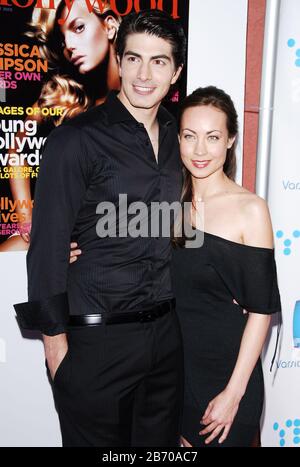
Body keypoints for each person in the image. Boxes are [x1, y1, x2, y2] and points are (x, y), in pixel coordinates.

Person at [14, 10, 186, 447]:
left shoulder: (181, 138)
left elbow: (196, 222)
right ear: (120, 59)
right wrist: (56, 349)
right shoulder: (75, 140)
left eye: (159, 61)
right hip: (96, 342)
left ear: (176, 71)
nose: (144, 75)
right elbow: (48, 246)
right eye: (134, 59)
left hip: (167, 339)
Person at [171, 86, 281, 447]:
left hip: (229, 377)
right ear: (178, 139)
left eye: (213, 137)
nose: (200, 150)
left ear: (231, 140)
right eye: (190, 136)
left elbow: (261, 312)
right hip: (173, 378)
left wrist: (233, 395)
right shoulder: (166, 208)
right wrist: (75, 251)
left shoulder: (250, 209)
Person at [2, 0, 121, 252]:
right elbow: (16, 151)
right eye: (62, 37)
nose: (69, 45)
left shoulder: (139, 91)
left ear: (109, 26)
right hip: (63, 232)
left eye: (78, 28)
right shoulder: (61, 93)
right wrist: (26, 219)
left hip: (114, 238)